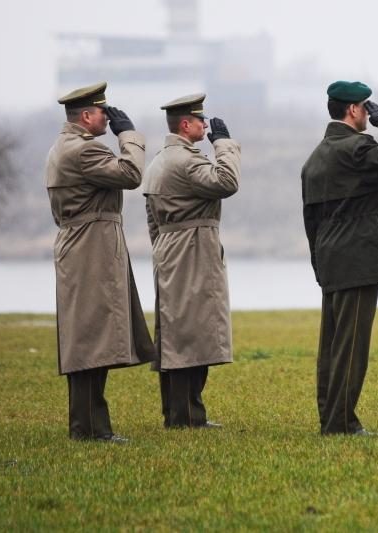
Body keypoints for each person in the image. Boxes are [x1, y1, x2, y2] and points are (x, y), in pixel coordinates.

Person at [44, 81, 155, 443]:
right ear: (86, 115)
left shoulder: (65, 146)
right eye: (103, 113)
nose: (108, 118)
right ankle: (90, 428)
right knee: (92, 337)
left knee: (91, 335)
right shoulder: (83, 151)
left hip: (87, 244)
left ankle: (89, 424)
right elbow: (131, 175)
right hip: (90, 247)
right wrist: (130, 137)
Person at [301, 81, 378, 435]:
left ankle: (330, 417)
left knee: (332, 345)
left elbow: (311, 221)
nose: (368, 112)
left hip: (331, 258)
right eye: (367, 107)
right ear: (353, 110)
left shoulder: (315, 158)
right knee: (351, 347)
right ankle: (341, 423)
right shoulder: (356, 148)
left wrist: (320, 264)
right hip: (358, 258)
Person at [142, 93, 240, 429]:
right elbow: (227, 182)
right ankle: (186, 415)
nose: (205, 125)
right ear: (185, 125)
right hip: (193, 250)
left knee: (175, 332)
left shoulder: (158, 160)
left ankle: (178, 411)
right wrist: (224, 144)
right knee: (191, 335)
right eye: (200, 120)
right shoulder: (185, 161)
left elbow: (151, 218)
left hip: (171, 248)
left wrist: (163, 247)